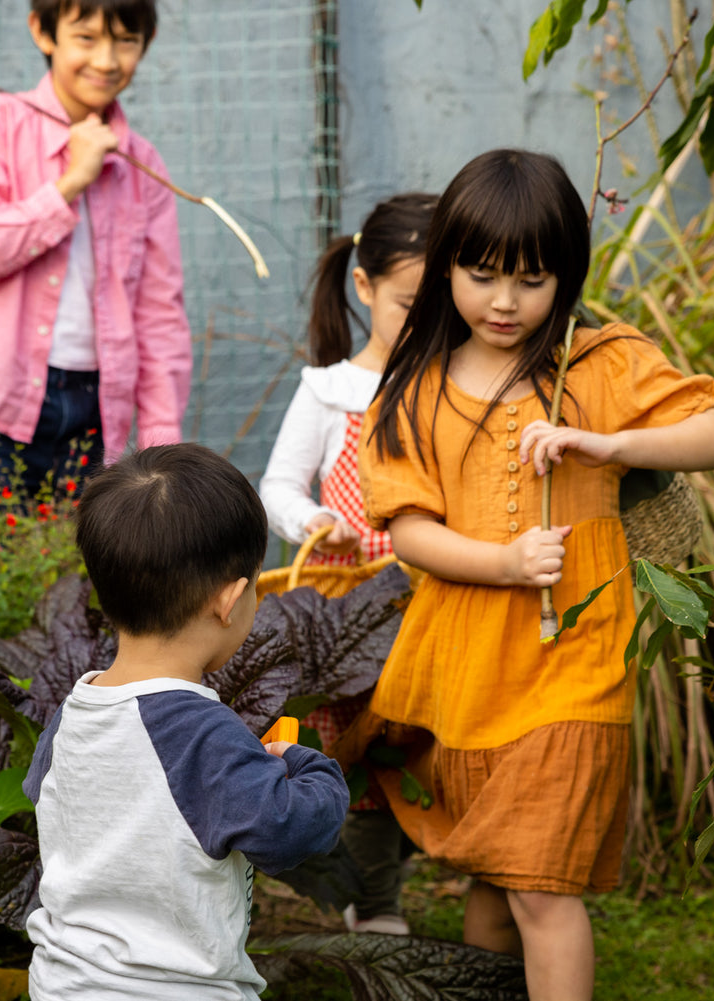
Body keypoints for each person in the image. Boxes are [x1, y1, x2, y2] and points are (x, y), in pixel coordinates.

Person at [354, 149, 714, 1001]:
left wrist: (612, 444)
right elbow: (412, 531)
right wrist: (499, 561)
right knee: (496, 879)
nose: (504, 301)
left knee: (538, 882)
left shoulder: (596, 362)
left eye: (532, 280)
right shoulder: (412, 390)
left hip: (575, 660)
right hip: (469, 673)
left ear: (567, 275)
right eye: (482, 273)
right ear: (447, 264)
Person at [24, 443, 349, 1000]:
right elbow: (293, 828)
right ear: (232, 600)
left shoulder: (72, 713)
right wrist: (300, 765)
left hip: (63, 984)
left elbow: (48, 796)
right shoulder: (201, 734)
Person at [0, 0, 191, 503]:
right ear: (43, 34)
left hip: (97, 408)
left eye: (125, 41)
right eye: (86, 38)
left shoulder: (144, 166)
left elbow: (160, 314)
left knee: (84, 568)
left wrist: (161, 446)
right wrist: (69, 183)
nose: (107, 60)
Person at [257, 192, 434, 935]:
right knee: (361, 758)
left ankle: (396, 880)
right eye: (407, 302)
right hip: (353, 614)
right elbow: (277, 487)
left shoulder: (449, 384)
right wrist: (312, 520)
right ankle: (378, 905)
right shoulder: (330, 390)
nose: (426, 322)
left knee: (422, 750)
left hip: (435, 605)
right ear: (364, 288)